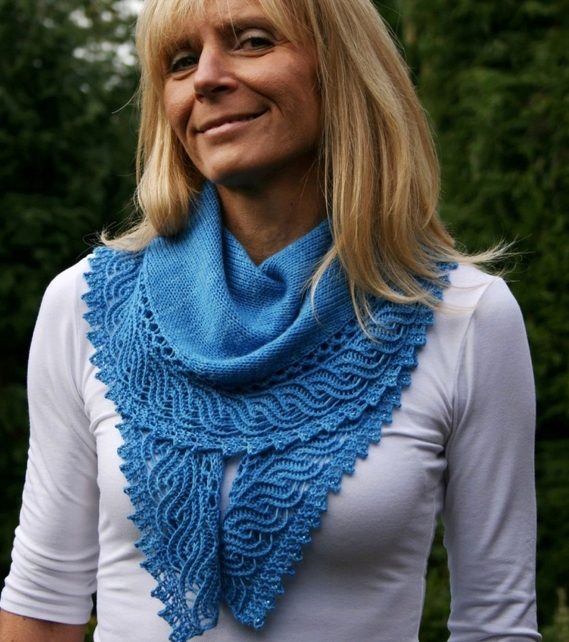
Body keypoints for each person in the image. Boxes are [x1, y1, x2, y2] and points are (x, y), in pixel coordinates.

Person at [0, 0, 540, 640]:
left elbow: (497, 623)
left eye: (253, 41)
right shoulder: (85, 306)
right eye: (181, 61)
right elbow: (43, 600)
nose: (206, 78)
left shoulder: (464, 316)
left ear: (339, 68)